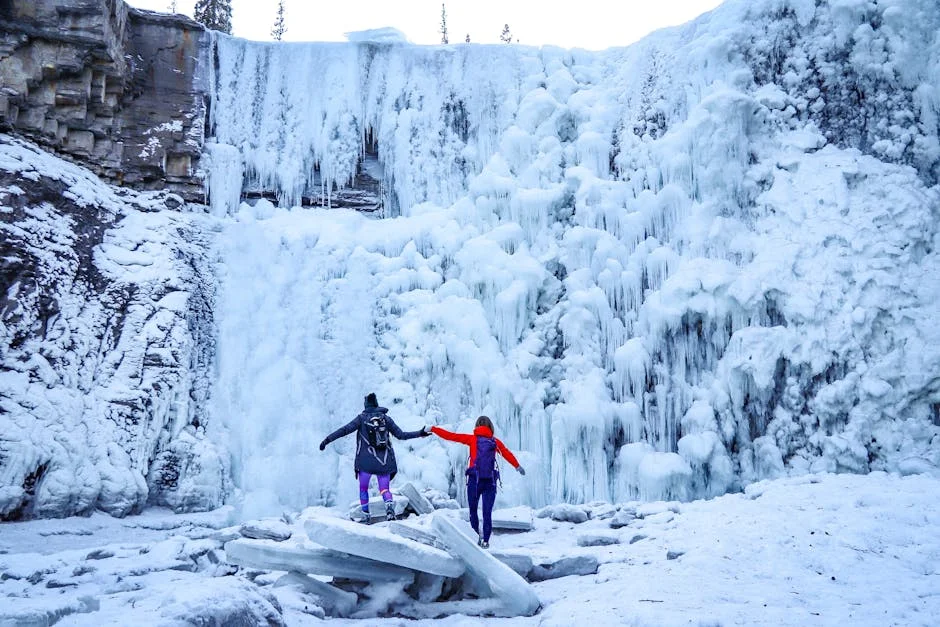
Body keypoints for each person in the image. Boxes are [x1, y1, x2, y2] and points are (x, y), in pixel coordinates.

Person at [319, 393, 430, 522]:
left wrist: (326, 441)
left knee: (363, 488)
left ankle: (366, 516)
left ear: (366, 405)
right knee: (384, 489)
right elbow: (402, 435)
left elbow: (344, 430)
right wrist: (420, 433)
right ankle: (389, 509)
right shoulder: (386, 419)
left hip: (365, 462)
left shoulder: (361, 419)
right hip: (384, 462)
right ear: (376, 404)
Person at [430, 416, 525, 548]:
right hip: (490, 481)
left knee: (473, 511)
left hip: (474, 480)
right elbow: (506, 453)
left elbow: (451, 436)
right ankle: (486, 540)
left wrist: (433, 429)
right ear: (490, 427)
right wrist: (517, 466)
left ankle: (475, 538)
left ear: (477, 426)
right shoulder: (495, 442)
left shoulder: (472, 439)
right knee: (487, 513)